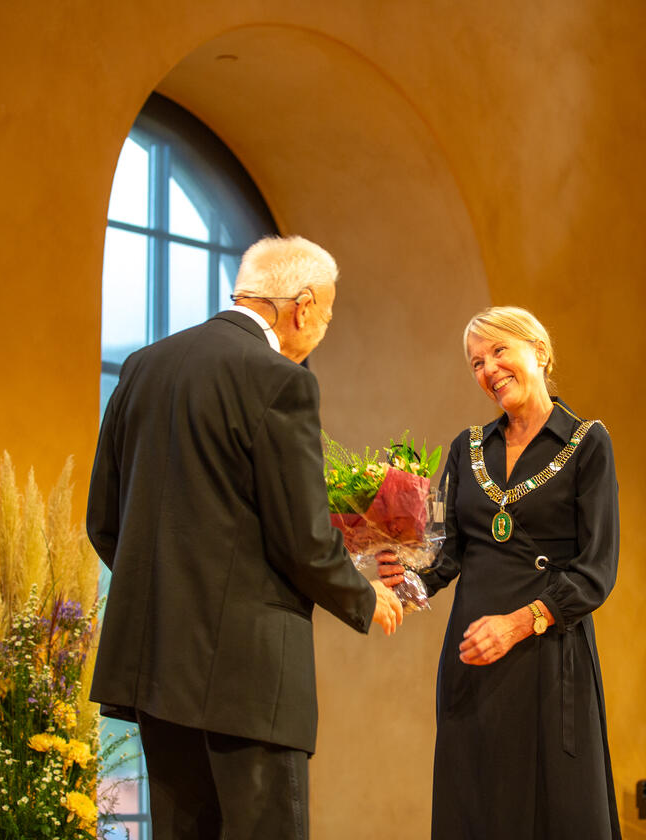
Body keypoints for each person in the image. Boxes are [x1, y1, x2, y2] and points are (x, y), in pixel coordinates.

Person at [87, 234, 403, 840]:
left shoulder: (143, 367)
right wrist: (364, 596)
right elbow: (301, 538)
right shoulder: (280, 380)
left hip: (156, 671)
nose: (324, 328)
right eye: (329, 314)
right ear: (302, 306)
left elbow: (104, 519)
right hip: (248, 678)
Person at [381, 306, 622, 838]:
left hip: (547, 655)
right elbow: (442, 559)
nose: (488, 369)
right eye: (475, 362)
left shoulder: (587, 444)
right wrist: (397, 573)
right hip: (472, 656)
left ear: (539, 351)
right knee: (475, 807)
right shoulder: (466, 450)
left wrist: (516, 624)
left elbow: (596, 572)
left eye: (498, 352)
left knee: (553, 812)